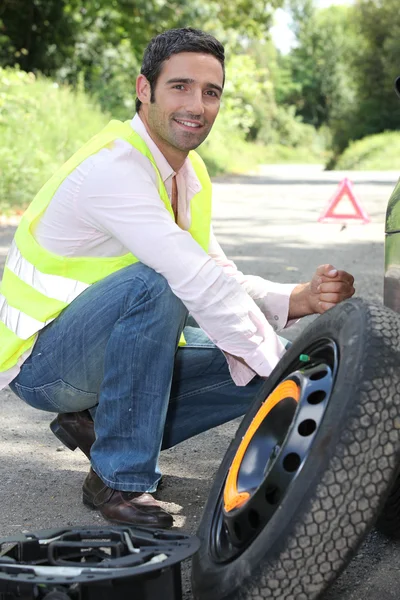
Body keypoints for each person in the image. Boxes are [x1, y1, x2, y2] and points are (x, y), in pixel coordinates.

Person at [1, 28, 354, 529]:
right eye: (181, 87)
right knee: (167, 288)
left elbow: (216, 274)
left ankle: (104, 425)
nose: (198, 104)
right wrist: (278, 360)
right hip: (44, 363)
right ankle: (121, 479)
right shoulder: (116, 168)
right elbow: (189, 279)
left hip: (99, 354)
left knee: (266, 371)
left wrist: (297, 298)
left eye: (211, 92)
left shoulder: (186, 174)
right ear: (145, 90)